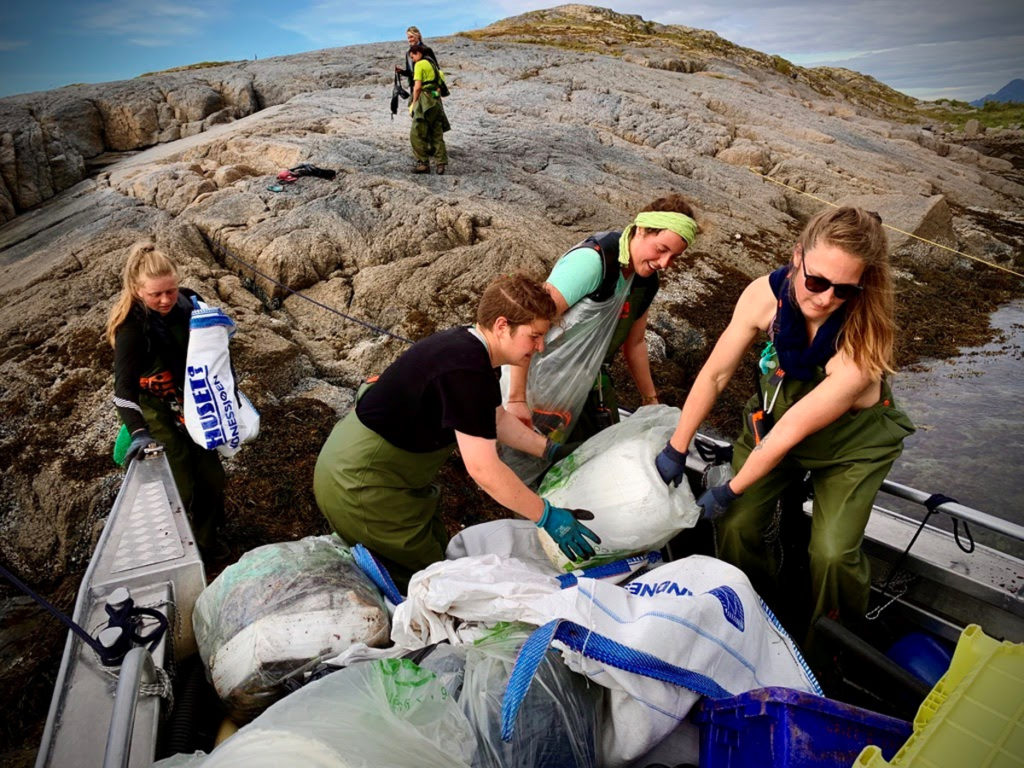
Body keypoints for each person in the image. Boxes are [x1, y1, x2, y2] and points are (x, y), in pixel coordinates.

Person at [655, 206, 915, 638]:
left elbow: (792, 430)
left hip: (850, 446)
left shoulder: (861, 344)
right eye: (816, 281)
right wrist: (676, 447)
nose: (826, 298)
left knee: (832, 553)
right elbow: (717, 374)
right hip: (771, 427)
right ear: (797, 256)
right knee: (737, 524)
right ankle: (751, 617)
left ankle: (831, 644)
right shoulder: (763, 296)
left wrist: (727, 489)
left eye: (844, 290)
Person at [313, 273, 600, 590]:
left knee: (440, 553)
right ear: (503, 325)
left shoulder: (470, 349)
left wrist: (550, 450)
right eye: (534, 336)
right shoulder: (466, 370)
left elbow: (496, 420)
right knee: (428, 580)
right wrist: (546, 516)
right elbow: (483, 469)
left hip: (380, 475)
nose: (540, 346)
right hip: (361, 484)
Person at [503, 194, 698, 482]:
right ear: (641, 230)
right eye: (661, 249)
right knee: (526, 455)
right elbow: (528, 323)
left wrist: (650, 399)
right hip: (541, 371)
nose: (665, 263)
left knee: (599, 449)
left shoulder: (645, 281)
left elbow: (636, 342)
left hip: (587, 376)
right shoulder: (593, 262)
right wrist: (516, 398)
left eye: (674, 257)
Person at [106, 241, 226, 553]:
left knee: (212, 476)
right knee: (179, 482)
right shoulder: (131, 329)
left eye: (170, 291)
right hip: (154, 407)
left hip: (192, 400)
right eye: (155, 294)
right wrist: (139, 434)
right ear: (136, 289)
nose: (165, 300)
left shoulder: (189, 303)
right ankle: (170, 547)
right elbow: (123, 392)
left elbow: (215, 348)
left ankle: (206, 543)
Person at [407, 43, 450, 174]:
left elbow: (418, 87)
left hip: (423, 103)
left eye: (412, 56)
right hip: (436, 103)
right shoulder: (436, 68)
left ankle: (423, 163)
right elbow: (439, 90)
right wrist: (434, 96)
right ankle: (440, 164)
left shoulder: (419, 65)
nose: (412, 59)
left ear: (418, 53)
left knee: (416, 133)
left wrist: (414, 103)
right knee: (436, 133)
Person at [395, 26, 436, 94]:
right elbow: (410, 72)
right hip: (414, 88)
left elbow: (436, 68)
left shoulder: (426, 50)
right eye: (408, 38)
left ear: (418, 36)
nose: (410, 40)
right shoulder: (408, 53)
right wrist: (401, 71)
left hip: (428, 89)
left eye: (411, 37)